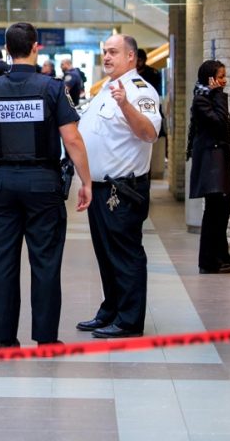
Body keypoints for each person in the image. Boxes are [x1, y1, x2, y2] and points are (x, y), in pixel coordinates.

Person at [0, 23, 92, 348]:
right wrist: (86, 181)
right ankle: (46, 339)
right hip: (43, 185)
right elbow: (73, 139)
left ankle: (5, 341)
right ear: (35, 47)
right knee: (46, 262)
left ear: (7, 50)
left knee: (3, 261)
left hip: (2, 184)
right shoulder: (51, 88)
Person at [76, 34, 161, 339]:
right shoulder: (106, 88)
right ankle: (111, 310)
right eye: (104, 52)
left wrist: (125, 105)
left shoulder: (139, 91)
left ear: (131, 57)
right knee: (106, 254)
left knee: (125, 255)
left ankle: (129, 320)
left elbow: (149, 133)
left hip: (122, 190)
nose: (107, 57)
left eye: (113, 52)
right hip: (100, 188)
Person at [187, 59, 230, 274]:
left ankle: (221, 255)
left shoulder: (209, 98)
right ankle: (208, 262)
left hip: (219, 157)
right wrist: (218, 94)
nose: (224, 80)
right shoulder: (201, 100)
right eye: (220, 77)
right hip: (211, 161)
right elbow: (219, 121)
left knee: (224, 207)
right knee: (214, 210)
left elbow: (224, 129)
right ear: (209, 79)